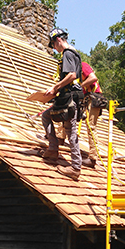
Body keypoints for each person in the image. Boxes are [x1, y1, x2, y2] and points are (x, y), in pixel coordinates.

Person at [40, 28, 84, 180]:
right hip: (65, 97)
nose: (54, 48)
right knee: (46, 115)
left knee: (71, 133)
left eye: (53, 44)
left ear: (58, 39)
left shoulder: (68, 53)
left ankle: (76, 168)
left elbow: (71, 75)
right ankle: (52, 149)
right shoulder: (71, 53)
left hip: (69, 99)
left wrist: (55, 87)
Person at [80, 62, 107, 168]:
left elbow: (93, 78)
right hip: (87, 97)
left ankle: (92, 158)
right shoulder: (74, 72)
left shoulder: (82, 65)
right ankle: (60, 138)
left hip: (94, 97)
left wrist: (80, 86)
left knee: (91, 126)